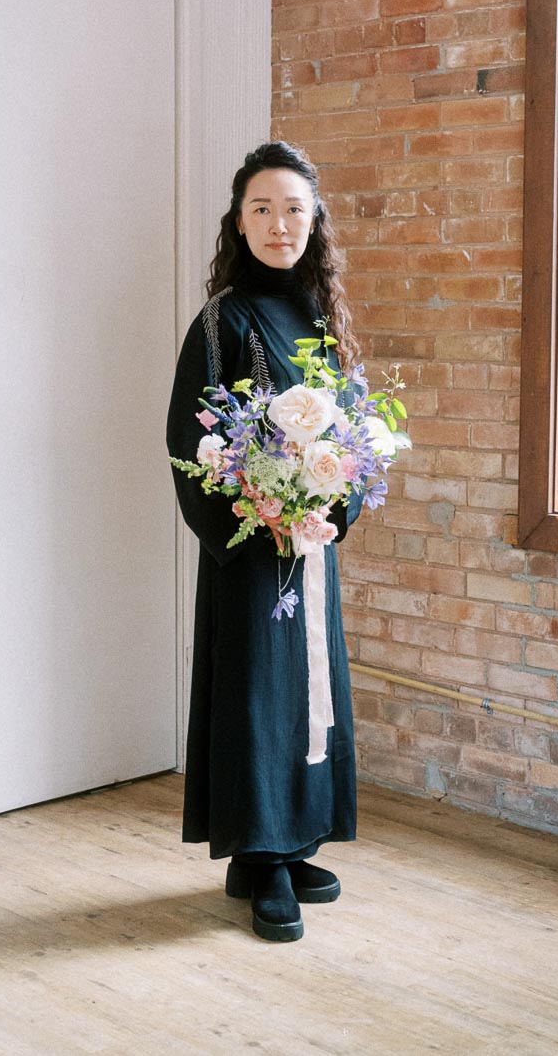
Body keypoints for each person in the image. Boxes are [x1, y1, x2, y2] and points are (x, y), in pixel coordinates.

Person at [166, 141, 363, 943]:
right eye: (263, 209)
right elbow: (194, 441)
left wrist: (332, 505)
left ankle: (286, 847)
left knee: (311, 696)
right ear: (239, 222)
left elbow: (351, 433)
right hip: (250, 553)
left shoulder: (319, 317)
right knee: (257, 698)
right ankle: (261, 856)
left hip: (310, 547)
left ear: (314, 221)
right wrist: (261, 516)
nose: (279, 224)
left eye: (293, 209)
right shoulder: (223, 321)